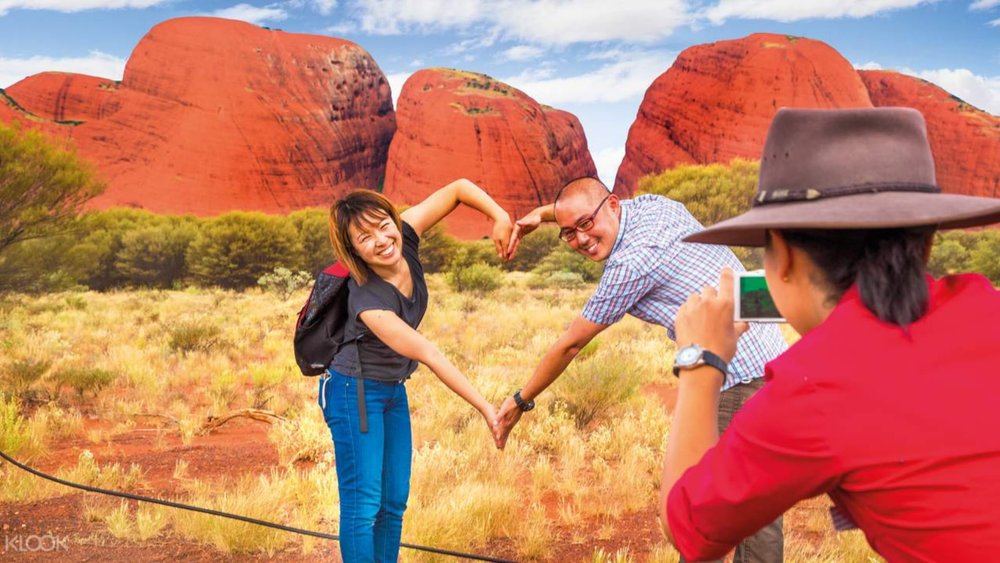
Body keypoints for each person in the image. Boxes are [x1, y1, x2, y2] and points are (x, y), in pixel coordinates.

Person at [661, 107, 1000, 561]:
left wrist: (701, 362)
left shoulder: (814, 385)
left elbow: (690, 528)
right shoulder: (983, 303)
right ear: (929, 242)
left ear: (781, 255)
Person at [496, 176, 788, 561]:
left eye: (586, 225)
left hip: (735, 374)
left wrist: (521, 399)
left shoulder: (630, 264)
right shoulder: (655, 206)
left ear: (613, 206)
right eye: (568, 233)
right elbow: (586, 204)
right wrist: (542, 215)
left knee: (706, 504)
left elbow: (570, 344)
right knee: (756, 499)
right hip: (769, 354)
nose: (581, 239)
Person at [320, 179, 511, 563]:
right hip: (353, 392)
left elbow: (457, 189)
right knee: (363, 504)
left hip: (391, 388)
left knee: (393, 502)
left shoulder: (403, 234)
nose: (380, 239)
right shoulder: (369, 299)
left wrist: (500, 216)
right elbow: (431, 354)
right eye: (364, 237)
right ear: (353, 251)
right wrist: (486, 409)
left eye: (382, 224)